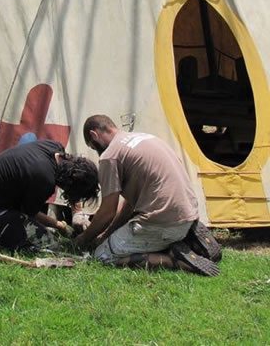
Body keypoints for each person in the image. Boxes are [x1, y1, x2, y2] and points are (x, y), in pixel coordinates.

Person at [77, 115, 221, 276]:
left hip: (163, 223)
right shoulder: (146, 138)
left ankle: (173, 259)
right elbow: (130, 204)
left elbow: (107, 212)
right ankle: (185, 239)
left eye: (93, 147)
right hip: (188, 214)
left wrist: (83, 239)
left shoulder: (110, 156)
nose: (97, 152)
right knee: (122, 237)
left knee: (101, 255)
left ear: (94, 135)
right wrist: (108, 234)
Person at [0, 139, 99, 252]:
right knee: (49, 244)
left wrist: (77, 213)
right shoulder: (44, 179)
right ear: (70, 186)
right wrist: (59, 225)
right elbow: (28, 215)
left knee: (42, 233)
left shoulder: (54, 148)